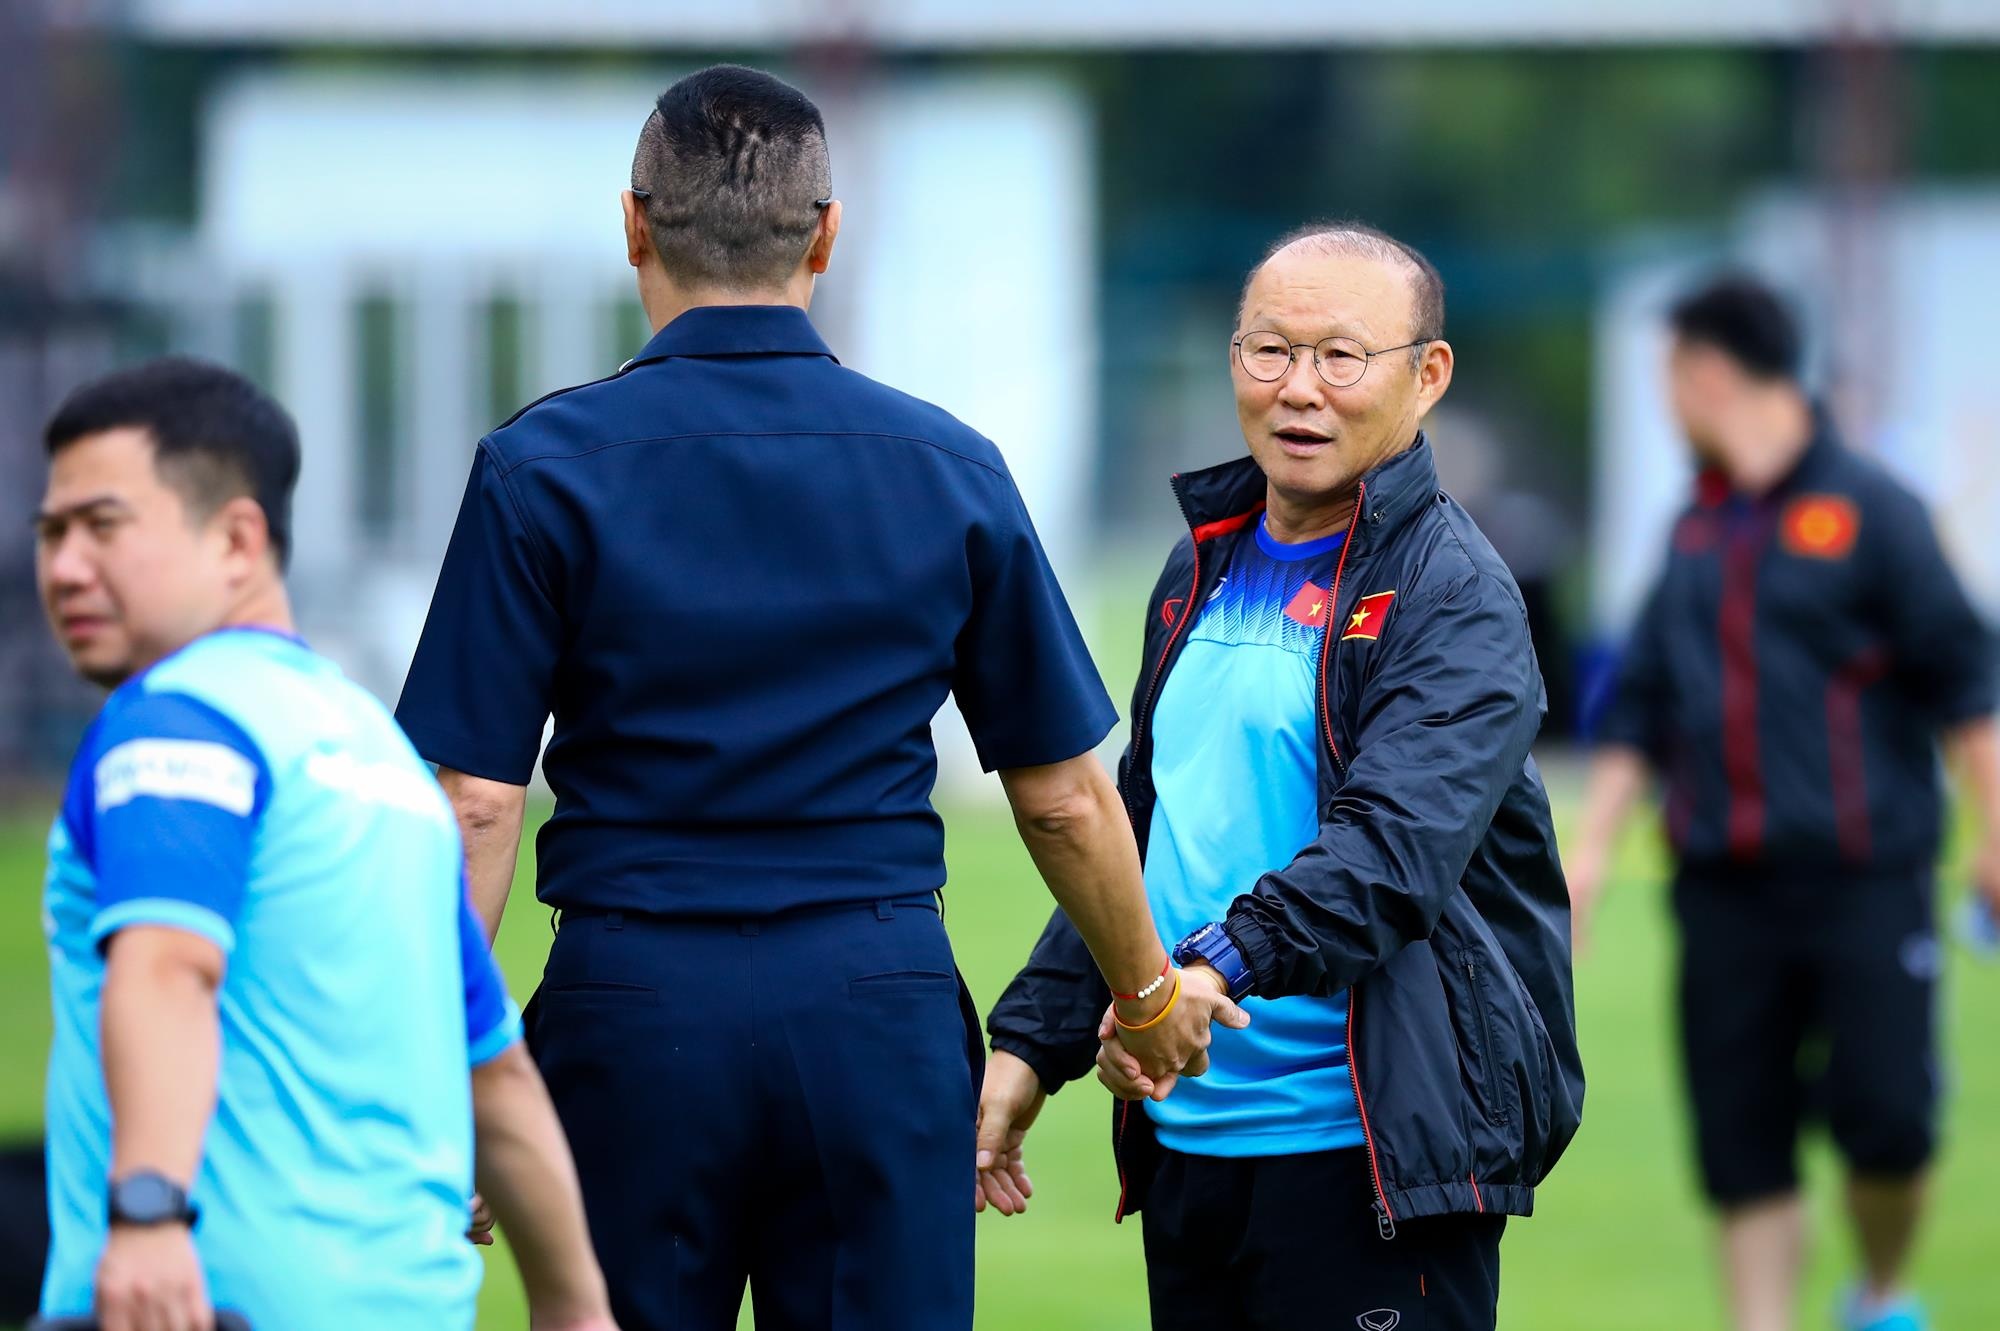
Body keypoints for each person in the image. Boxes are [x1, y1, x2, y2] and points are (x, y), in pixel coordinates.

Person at [394, 65, 1219, 1331]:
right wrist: (1149, 996)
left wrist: (432, 1077)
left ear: (633, 225)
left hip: (631, 1003)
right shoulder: (947, 465)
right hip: (869, 1003)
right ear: (829, 233)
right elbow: (1058, 796)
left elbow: (474, 806)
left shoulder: (537, 468)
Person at [979, 223, 1585, 1331]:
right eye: (1269, 350)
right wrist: (1035, 1038)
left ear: (1426, 375)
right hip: (1189, 1140)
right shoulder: (1197, 563)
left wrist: (1203, 974)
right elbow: (1145, 824)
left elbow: (1390, 853)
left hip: (1369, 1160)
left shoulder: (1454, 594)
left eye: (1340, 357)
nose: (1298, 388)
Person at [32, 358, 615, 1331]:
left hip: (202, 1300)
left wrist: (146, 1214)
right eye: (51, 532)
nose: (63, 567)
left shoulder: (177, 725)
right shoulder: (373, 756)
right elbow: (494, 1072)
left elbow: (171, 964)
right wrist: (573, 1300)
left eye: (103, 527)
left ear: (236, 536)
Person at [1567, 275, 2000, 1331]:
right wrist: (1584, 857)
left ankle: (1881, 1290)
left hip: (1866, 879)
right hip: (1721, 889)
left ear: (1705, 373)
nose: (1668, 398)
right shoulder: (1690, 534)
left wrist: (1994, 833)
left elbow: (1966, 684)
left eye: (1668, 374)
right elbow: (1638, 711)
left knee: (1888, 1123)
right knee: (1741, 1140)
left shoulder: (1874, 512)